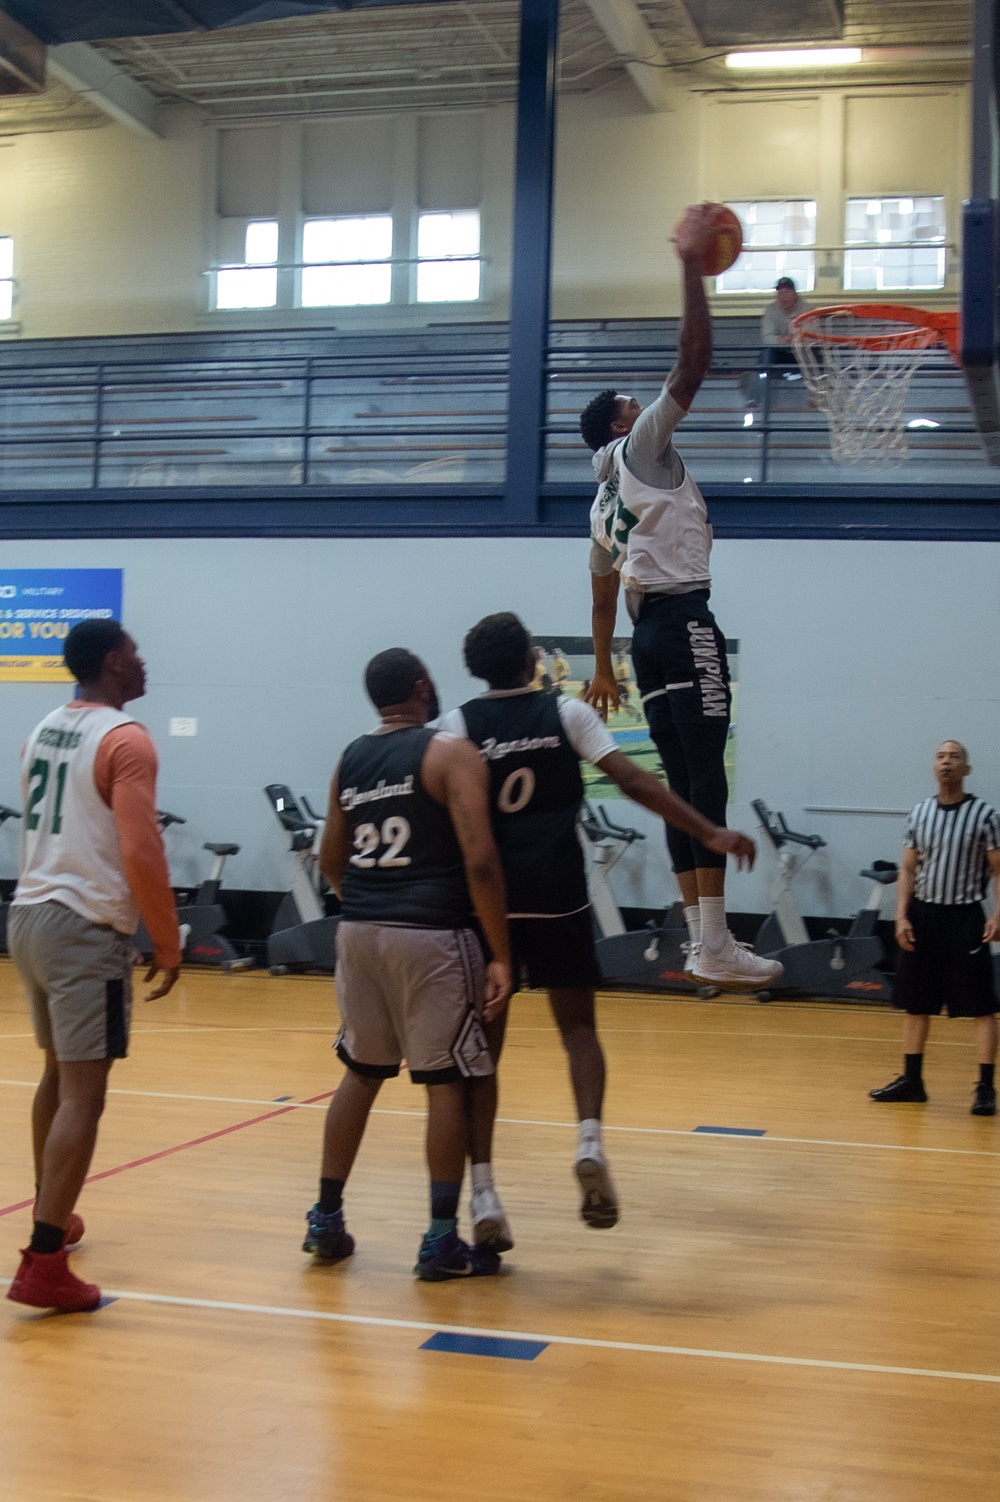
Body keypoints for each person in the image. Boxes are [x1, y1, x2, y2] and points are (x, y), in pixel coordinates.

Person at [439, 612, 757, 1245]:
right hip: (557, 893)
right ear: (532, 658)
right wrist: (708, 831)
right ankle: (589, 1142)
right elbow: (635, 780)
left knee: (484, 1055)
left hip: (489, 906)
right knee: (579, 1029)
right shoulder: (565, 713)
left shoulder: (457, 727)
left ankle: (484, 1195)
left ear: (478, 668)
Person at [578, 202, 782, 993]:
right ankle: (715, 940)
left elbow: (602, 595)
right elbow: (692, 364)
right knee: (708, 779)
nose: (646, 406)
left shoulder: (599, 505)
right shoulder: (641, 444)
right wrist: (692, 272)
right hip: (682, 618)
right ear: (621, 423)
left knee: (679, 785)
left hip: (647, 633)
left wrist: (605, 667)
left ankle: (704, 943)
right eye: (634, 403)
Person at [303, 647, 514, 1281]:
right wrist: (501, 953)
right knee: (443, 1081)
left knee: (361, 1072)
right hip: (430, 934)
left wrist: (371, 905)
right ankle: (442, 1238)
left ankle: (325, 1219)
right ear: (423, 687)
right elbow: (479, 860)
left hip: (358, 929)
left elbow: (330, 859)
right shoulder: (450, 752)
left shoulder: (350, 757)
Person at [6, 619, 181, 1314]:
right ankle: (44, 1259)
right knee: (85, 1092)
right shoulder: (126, 739)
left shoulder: (42, 728)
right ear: (113, 663)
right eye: (135, 653)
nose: (143, 663)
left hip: (27, 915)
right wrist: (167, 940)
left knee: (56, 1075)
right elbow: (141, 849)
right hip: (82, 928)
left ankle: (53, 1216)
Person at [869, 740, 999, 1116]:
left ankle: (986, 1088)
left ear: (966, 769)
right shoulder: (920, 812)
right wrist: (902, 915)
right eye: (941, 756)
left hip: (965, 918)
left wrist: (998, 915)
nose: (947, 762)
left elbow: (998, 871)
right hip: (924, 917)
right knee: (915, 1002)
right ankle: (913, 1081)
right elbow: (908, 869)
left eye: (955, 757)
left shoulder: (985, 815)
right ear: (934, 767)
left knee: (981, 1007)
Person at [760, 275, 808, 372]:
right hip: (780, 351)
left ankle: (815, 383)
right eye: (780, 292)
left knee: (814, 355)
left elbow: (813, 336)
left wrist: (798, 339)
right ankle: (762, 383)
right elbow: (767, 337)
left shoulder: (807, 310)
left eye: (787, 292)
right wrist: (781, 340)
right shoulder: (771, 310)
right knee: (766, 354)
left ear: (795, 294)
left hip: (802, 351)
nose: (783, 296)